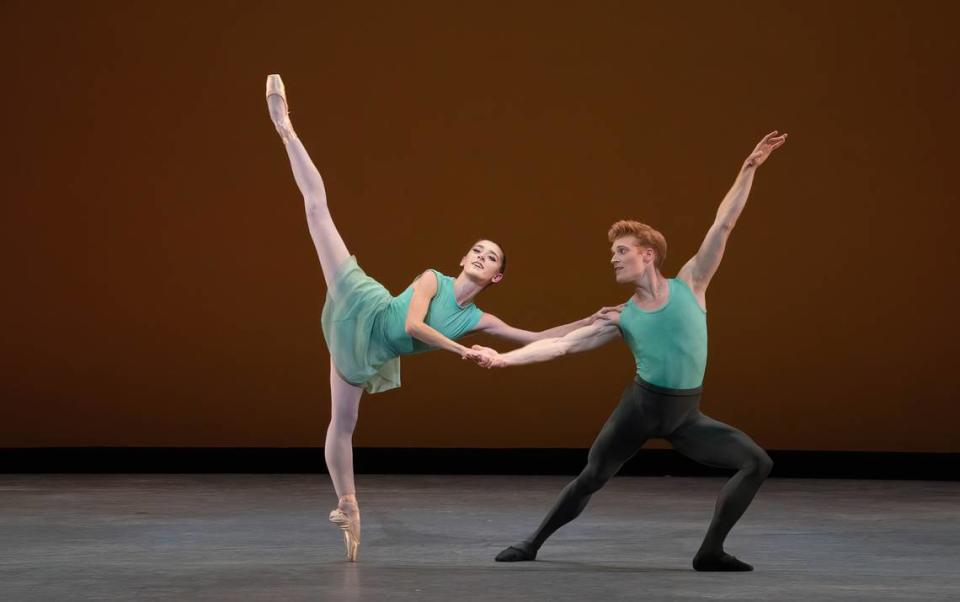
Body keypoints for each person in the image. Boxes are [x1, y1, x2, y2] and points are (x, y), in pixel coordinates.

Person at [265, 74, 610, 561]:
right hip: (362, 302)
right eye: (476, 249)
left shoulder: (477, 318)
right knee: (318, 212)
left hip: (365, 351)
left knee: (343, 423)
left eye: (490, 257)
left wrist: (589, 321)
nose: (479, 255)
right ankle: (286, 129)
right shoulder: (433, 279)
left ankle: (349, 507)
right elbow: (412, 327)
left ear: (496, 277)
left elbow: (534, 336)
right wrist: (460, 350)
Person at [470, 131, 788, 571]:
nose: (614, 259)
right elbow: (560, 347)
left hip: (684, 415)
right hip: (638, 409)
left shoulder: (692, 283)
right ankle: (532, 542)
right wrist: (502, 359)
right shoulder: (620, 316)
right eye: (612, 253)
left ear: (649, 255)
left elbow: (724, 224)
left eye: (621, 251)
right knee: (592, 477)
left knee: (756, 463)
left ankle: (710, 551)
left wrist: (748, 168)